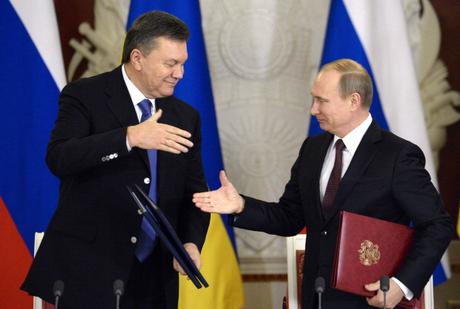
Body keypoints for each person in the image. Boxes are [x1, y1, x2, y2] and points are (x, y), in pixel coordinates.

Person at [193, 59, 453, 309]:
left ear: (354, 101)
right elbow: (289, 217)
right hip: (316, 297)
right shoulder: (313, 149)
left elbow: (437, 225)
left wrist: (401, 284)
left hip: (372, 299)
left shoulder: (397, 155)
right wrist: (241, 206)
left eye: (321, 101)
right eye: (313, 99)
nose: (313, 109)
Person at [21, 11, 209, 309]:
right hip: (91, 269)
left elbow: (194, 193)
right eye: (171, 63)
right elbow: (59, 158)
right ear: (137, 58)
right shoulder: (85, 95)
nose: (180, 73)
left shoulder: (186, 116)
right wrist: (129, 137)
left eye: (183, 63)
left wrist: (190, 243)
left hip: (157, 277)